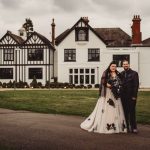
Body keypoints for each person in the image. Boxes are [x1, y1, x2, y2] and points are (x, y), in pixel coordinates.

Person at [80, 61, 127, 134]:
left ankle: (116, 125)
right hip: (107, 93)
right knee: (108, 107)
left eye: (115, 66)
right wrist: (110, 85)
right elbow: (103, 82)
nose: (113, 68)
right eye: (112, 66)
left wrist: (118, 86)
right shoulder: (106, 73)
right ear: (110, 66)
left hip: (115, 94)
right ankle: (105, 125)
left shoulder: (118, 74)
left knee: (116, 108)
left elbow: (121, 81)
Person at [121, 60, 139, 133]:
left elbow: (136, 86)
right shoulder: (121, 74)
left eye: (126, 64)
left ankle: (134, 127)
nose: (125, 65)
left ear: (129, 65)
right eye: (124, 64)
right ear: (122, 65)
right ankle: (127, 127)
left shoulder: (134, 73)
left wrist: (134, 96)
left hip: (131, 96)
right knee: (125, 112)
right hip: (123, 97)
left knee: (132, 112)